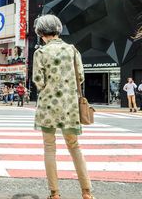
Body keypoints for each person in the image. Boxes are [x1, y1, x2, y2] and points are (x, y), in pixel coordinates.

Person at [32, 14, 94, 199]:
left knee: (49, 148)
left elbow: (38, 80)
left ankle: (55, 193)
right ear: (57, 29)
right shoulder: (72, 50)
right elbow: (80, 77)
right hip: (69, 106)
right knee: (74, 146)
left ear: (41, 32)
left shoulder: (40, 53)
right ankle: (86, 192)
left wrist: (49, 88)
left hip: (48, 107)